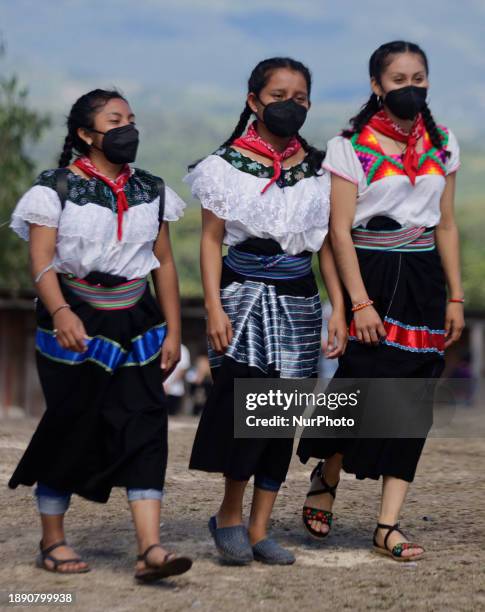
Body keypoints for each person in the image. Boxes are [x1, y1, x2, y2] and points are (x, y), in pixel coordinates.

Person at [8, 89, 192, 581]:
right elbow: (41, 263)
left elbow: (165, 265)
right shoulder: (55, 189)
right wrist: (63, 311)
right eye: (115, 120)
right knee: (74, 422)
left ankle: (150, 549)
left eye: (131, 118)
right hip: (76, 322)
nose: (127, 127)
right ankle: (52, 540)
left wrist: (173, 329)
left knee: (146, 424)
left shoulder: (152, 190)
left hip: (139, 321)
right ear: (87, 135)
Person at [297, 41, 464, 561]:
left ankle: (387, 525)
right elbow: (339, 233)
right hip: (369, 273)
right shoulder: (349, 147)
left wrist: (455, 296)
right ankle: (326, 475)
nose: (410, 88)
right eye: (398, 80)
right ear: (377, 86)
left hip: (423, 277)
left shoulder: (444, 144)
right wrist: (358, 303)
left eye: (418, 78)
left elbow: (448, 224)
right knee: (359, 389)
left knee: (413, 401)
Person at [184, 57, 347, 565]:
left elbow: (324, 247)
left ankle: (260, 528)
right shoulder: (224, 166)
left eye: (299, 98)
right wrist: (213, 307)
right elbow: (211, 242)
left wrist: (337, 306)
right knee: (247, 408)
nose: (290, 105)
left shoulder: (318, 171)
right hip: (242, 294)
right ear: (254, 101)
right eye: (278, 96)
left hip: (299, 298)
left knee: (282, 413)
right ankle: (229, 515)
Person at [163, 343, 191, 415]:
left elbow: (182, 370)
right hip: (160, 390)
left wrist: (168, 385)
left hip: (174, 391)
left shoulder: (183, 349)